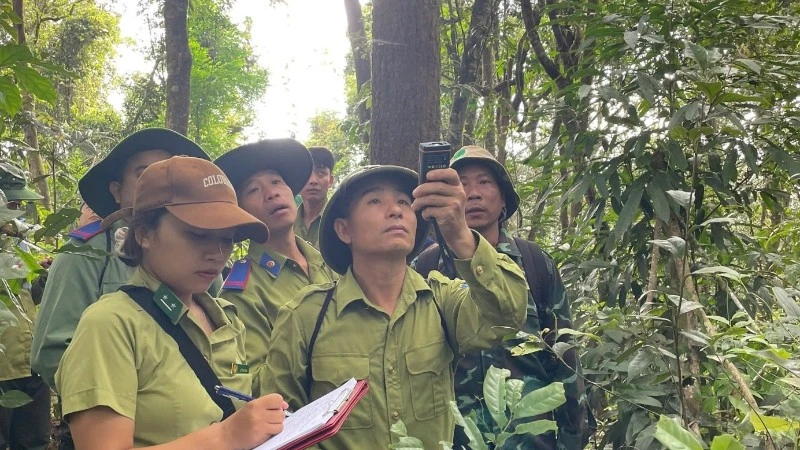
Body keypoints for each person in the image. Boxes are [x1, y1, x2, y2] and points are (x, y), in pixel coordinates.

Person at [263, 164, 529, 449]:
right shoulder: (306, 317)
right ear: (344, 229)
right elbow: (279, 426)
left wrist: (461, 235)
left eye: (403, 201)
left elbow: (508, 316)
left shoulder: (442, 301)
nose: (395, 210)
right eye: (374, 200)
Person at [55, 156, 287, 449]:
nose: (217, 253)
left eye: (226, 239)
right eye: (198, 235)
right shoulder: (111, 324)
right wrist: (225, 436)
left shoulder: (225, 319)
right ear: (144, 233)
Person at [412, 145, 589, 449]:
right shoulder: (426, 267)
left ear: (503, 198)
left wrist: (573, 438)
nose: (473, 193)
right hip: (456, 438)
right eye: (462, 184)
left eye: (485, 182)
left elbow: (564, 357)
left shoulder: (534, 262)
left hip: (531, 438)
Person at [31, 128, 218, 389]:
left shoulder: (205, 250)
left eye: (168, 174)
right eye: (143, 174)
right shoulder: (86, 251)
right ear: (117, 191)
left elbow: (220, 334)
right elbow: (53, 352)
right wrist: (133, 399)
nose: (159, 183)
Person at [214, 139, 336, 396]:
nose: (271, 193)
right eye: (253, 190)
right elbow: (248, 377)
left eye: (277, 182)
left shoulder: (331, 263)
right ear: (240, 212)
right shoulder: (242, 291)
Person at [0, 163, 50, 450]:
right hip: (3, 367)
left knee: (34, 441)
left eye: (20, 204)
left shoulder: (22, 244)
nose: (18, 210)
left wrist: (44, 276)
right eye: (13, 203)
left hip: (31, 361)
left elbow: (29, 298)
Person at [293, 146, 334, 248]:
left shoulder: (340, 220)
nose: (313, 181)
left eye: (321, 173)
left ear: (330, 181)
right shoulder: (287, 224)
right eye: (307, 174)